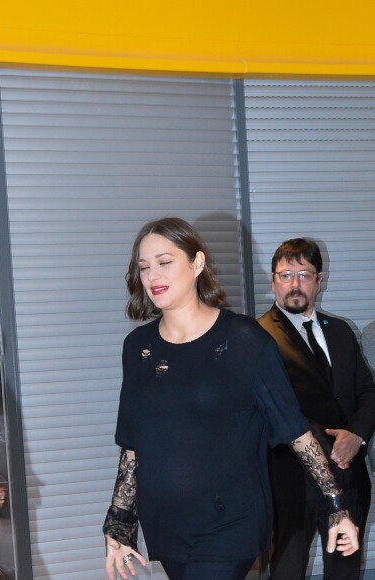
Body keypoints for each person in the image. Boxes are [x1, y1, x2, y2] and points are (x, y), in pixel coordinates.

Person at [102, 217, 359, 580]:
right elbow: (132, 443)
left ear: (197, 263)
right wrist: (120, 519)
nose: (152, 275)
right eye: (144, 267)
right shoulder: (137, 347)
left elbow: (295, 430)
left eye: (164, 261)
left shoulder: (244, 340)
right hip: (167, 522)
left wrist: (336, 506)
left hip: (229, 523)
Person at [258, 237, 375, 580]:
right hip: (291, 481)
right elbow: (276, 410)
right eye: (285, 275)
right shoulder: (258, 336)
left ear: (319, 281)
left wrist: (356, 435)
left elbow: (368, 390)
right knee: (287, 571)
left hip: (350, 475)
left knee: (345, 571)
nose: (294, 284)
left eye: (304, 275)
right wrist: (332, 448)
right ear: (273, 281)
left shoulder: (339, 330)